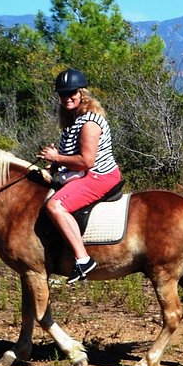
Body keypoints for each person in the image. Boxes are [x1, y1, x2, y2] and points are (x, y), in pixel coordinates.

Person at [39, 68, 123, 284]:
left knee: (55, 206)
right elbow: (72, 157)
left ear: (82, 94)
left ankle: (83, 258)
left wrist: (57, 157)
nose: (67, 98)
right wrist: (56, 162)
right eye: (62, 94)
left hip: (99, 176)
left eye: (71, 93)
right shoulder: (72, 121)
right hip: (83, 173)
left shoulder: (89, 123)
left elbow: (87, 161)